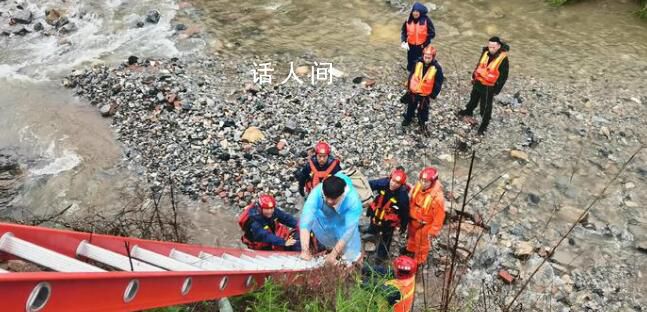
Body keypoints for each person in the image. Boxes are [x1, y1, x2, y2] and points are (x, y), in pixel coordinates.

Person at [299, 173, 363, 265]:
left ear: (341, 195)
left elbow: (349, 231)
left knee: (352, 255)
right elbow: (306, 221)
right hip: (324, 220)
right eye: (326, 197)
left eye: (333, 199)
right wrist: (305, 251)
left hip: (343, 223)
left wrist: (333, 255)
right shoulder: (317, 193)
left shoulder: (353, 201)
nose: (329, 201)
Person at [457, 36, 510, 135]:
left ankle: (484, 124)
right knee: (473, 99)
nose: (491, 49)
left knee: (485, 107)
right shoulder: (485, 52)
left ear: (499, 46)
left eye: (493, 47)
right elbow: (479, 65)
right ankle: (468, 111)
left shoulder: (503, 59)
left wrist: (496, 90)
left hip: (489, 86)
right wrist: (473, 75)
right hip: (478, 81)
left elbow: (504, 76)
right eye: (490, 46)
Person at [366, 168, 410, 263]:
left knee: (386, 238)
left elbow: (405, 213)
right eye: (393, 181)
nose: (393, 184)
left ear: (401, 185)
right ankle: (371, 232)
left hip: (388, 221)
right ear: (390, 178)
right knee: (373, 223)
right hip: (377, 211)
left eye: (397, 183)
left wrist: (403, 226)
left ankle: (381, 256)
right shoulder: (383, 183)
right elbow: (369, 184)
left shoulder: (403, 196)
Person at [405, 167, 445, 266]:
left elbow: (439, 218)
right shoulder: (418, 187)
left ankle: (418, 261)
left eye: (426, 181)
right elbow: (412, 200)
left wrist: (432, 232)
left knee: (422, 245)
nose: (423, 183)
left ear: (432, 182)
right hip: (413, 220)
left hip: (425, 225)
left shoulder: (437, 198)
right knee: (412, 237)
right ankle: (411, 250)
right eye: (422, 180)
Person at [402, 45, 444, 135]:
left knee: (423, 109)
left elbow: (439, 82)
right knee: (411, 106)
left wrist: (434, 94)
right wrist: (409, 85)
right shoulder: (417, 63)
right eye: (425, 57)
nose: (427, 59)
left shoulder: (437, 68)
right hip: (414, 92)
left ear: (433, 57)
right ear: (423, 56)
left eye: (429, 58)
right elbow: (412, 75)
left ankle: (422, 122)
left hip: (425, 94)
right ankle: (408, 118)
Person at [400, 2, 436, 72]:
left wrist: (425, 44)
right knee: (410, 60)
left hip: (422, 46)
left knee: (421, 61)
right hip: (410, 45)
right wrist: (403, 41)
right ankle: (410, 72)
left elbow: (432, 34)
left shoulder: (426, 20)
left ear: (421, 12)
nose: (415, 13)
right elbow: (403, 32)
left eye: (417, 11)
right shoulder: (408, 20)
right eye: (414, 11)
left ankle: (422, 73)